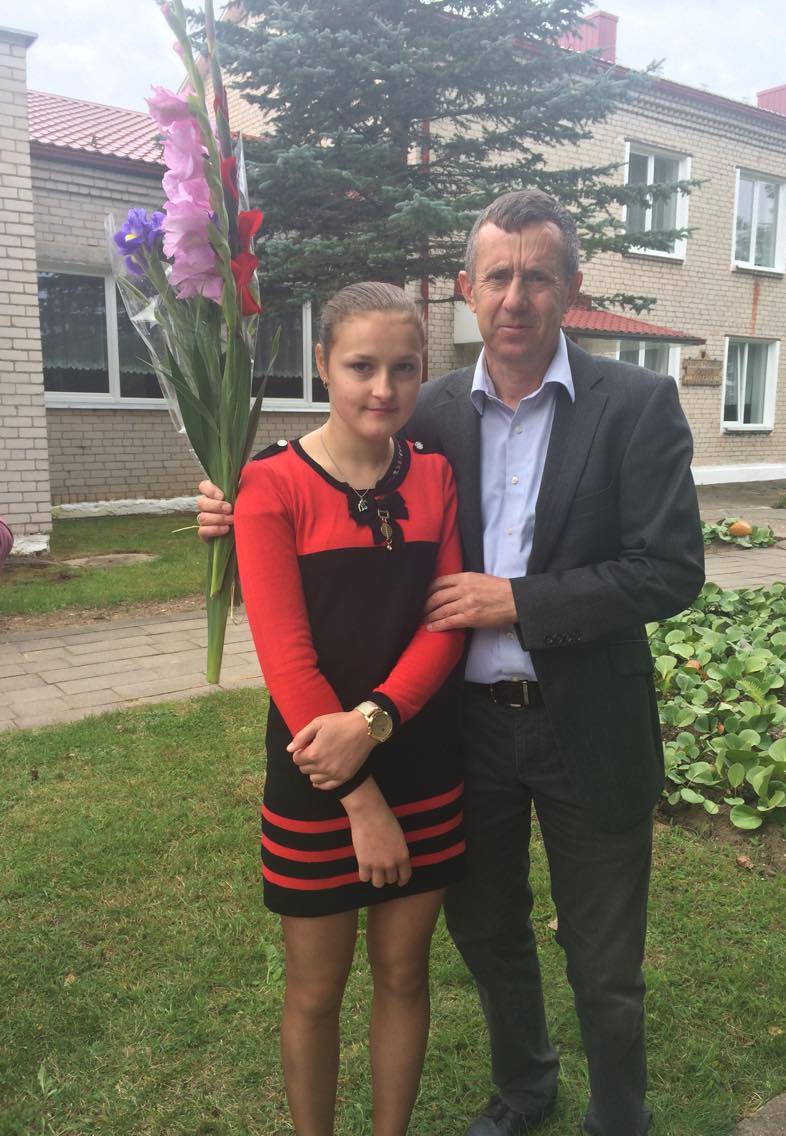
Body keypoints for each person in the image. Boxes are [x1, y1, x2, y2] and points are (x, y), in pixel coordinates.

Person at [198, 191, 705, 1136]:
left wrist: (521, 601)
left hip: (587, 719)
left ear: (572, 288)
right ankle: (525, 1087)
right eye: (498, 276)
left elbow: (671, 569)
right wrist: (241, 498)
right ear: (468, 289)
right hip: (460, 730)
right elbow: (341, 467)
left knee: (604, 956)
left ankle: (618, 1118)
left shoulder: (635, 403)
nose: (516, 297)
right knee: (489, 933)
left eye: (539, 276)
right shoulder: (429, 409)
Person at [232, 281, 466, 1136]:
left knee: (404, 973)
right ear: (323, 363)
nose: (384, 388)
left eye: (405, 368)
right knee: (315, 990)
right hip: (316, 770)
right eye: (362, 366)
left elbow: (445, 624)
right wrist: (360, 802)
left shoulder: (435, 475)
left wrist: (374, 722)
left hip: (422, 757)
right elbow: (286, 658)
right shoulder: (270, 484)